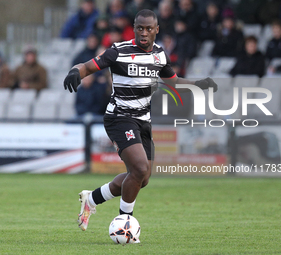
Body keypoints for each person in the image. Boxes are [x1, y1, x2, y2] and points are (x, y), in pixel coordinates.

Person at [63, 9, 218, 239]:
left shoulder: (159, 55)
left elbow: (174, 83)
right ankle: (126, 225)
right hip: (119, 118)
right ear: (134, 28)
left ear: (156, 30)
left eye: (148, 29)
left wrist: (200, 83)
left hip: (143, 121)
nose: (144, 33)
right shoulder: (118, 51)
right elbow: (87, 66)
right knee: (139, 169)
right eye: (140, 28)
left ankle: (92, 198)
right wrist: (75, 71)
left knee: (140, 179)